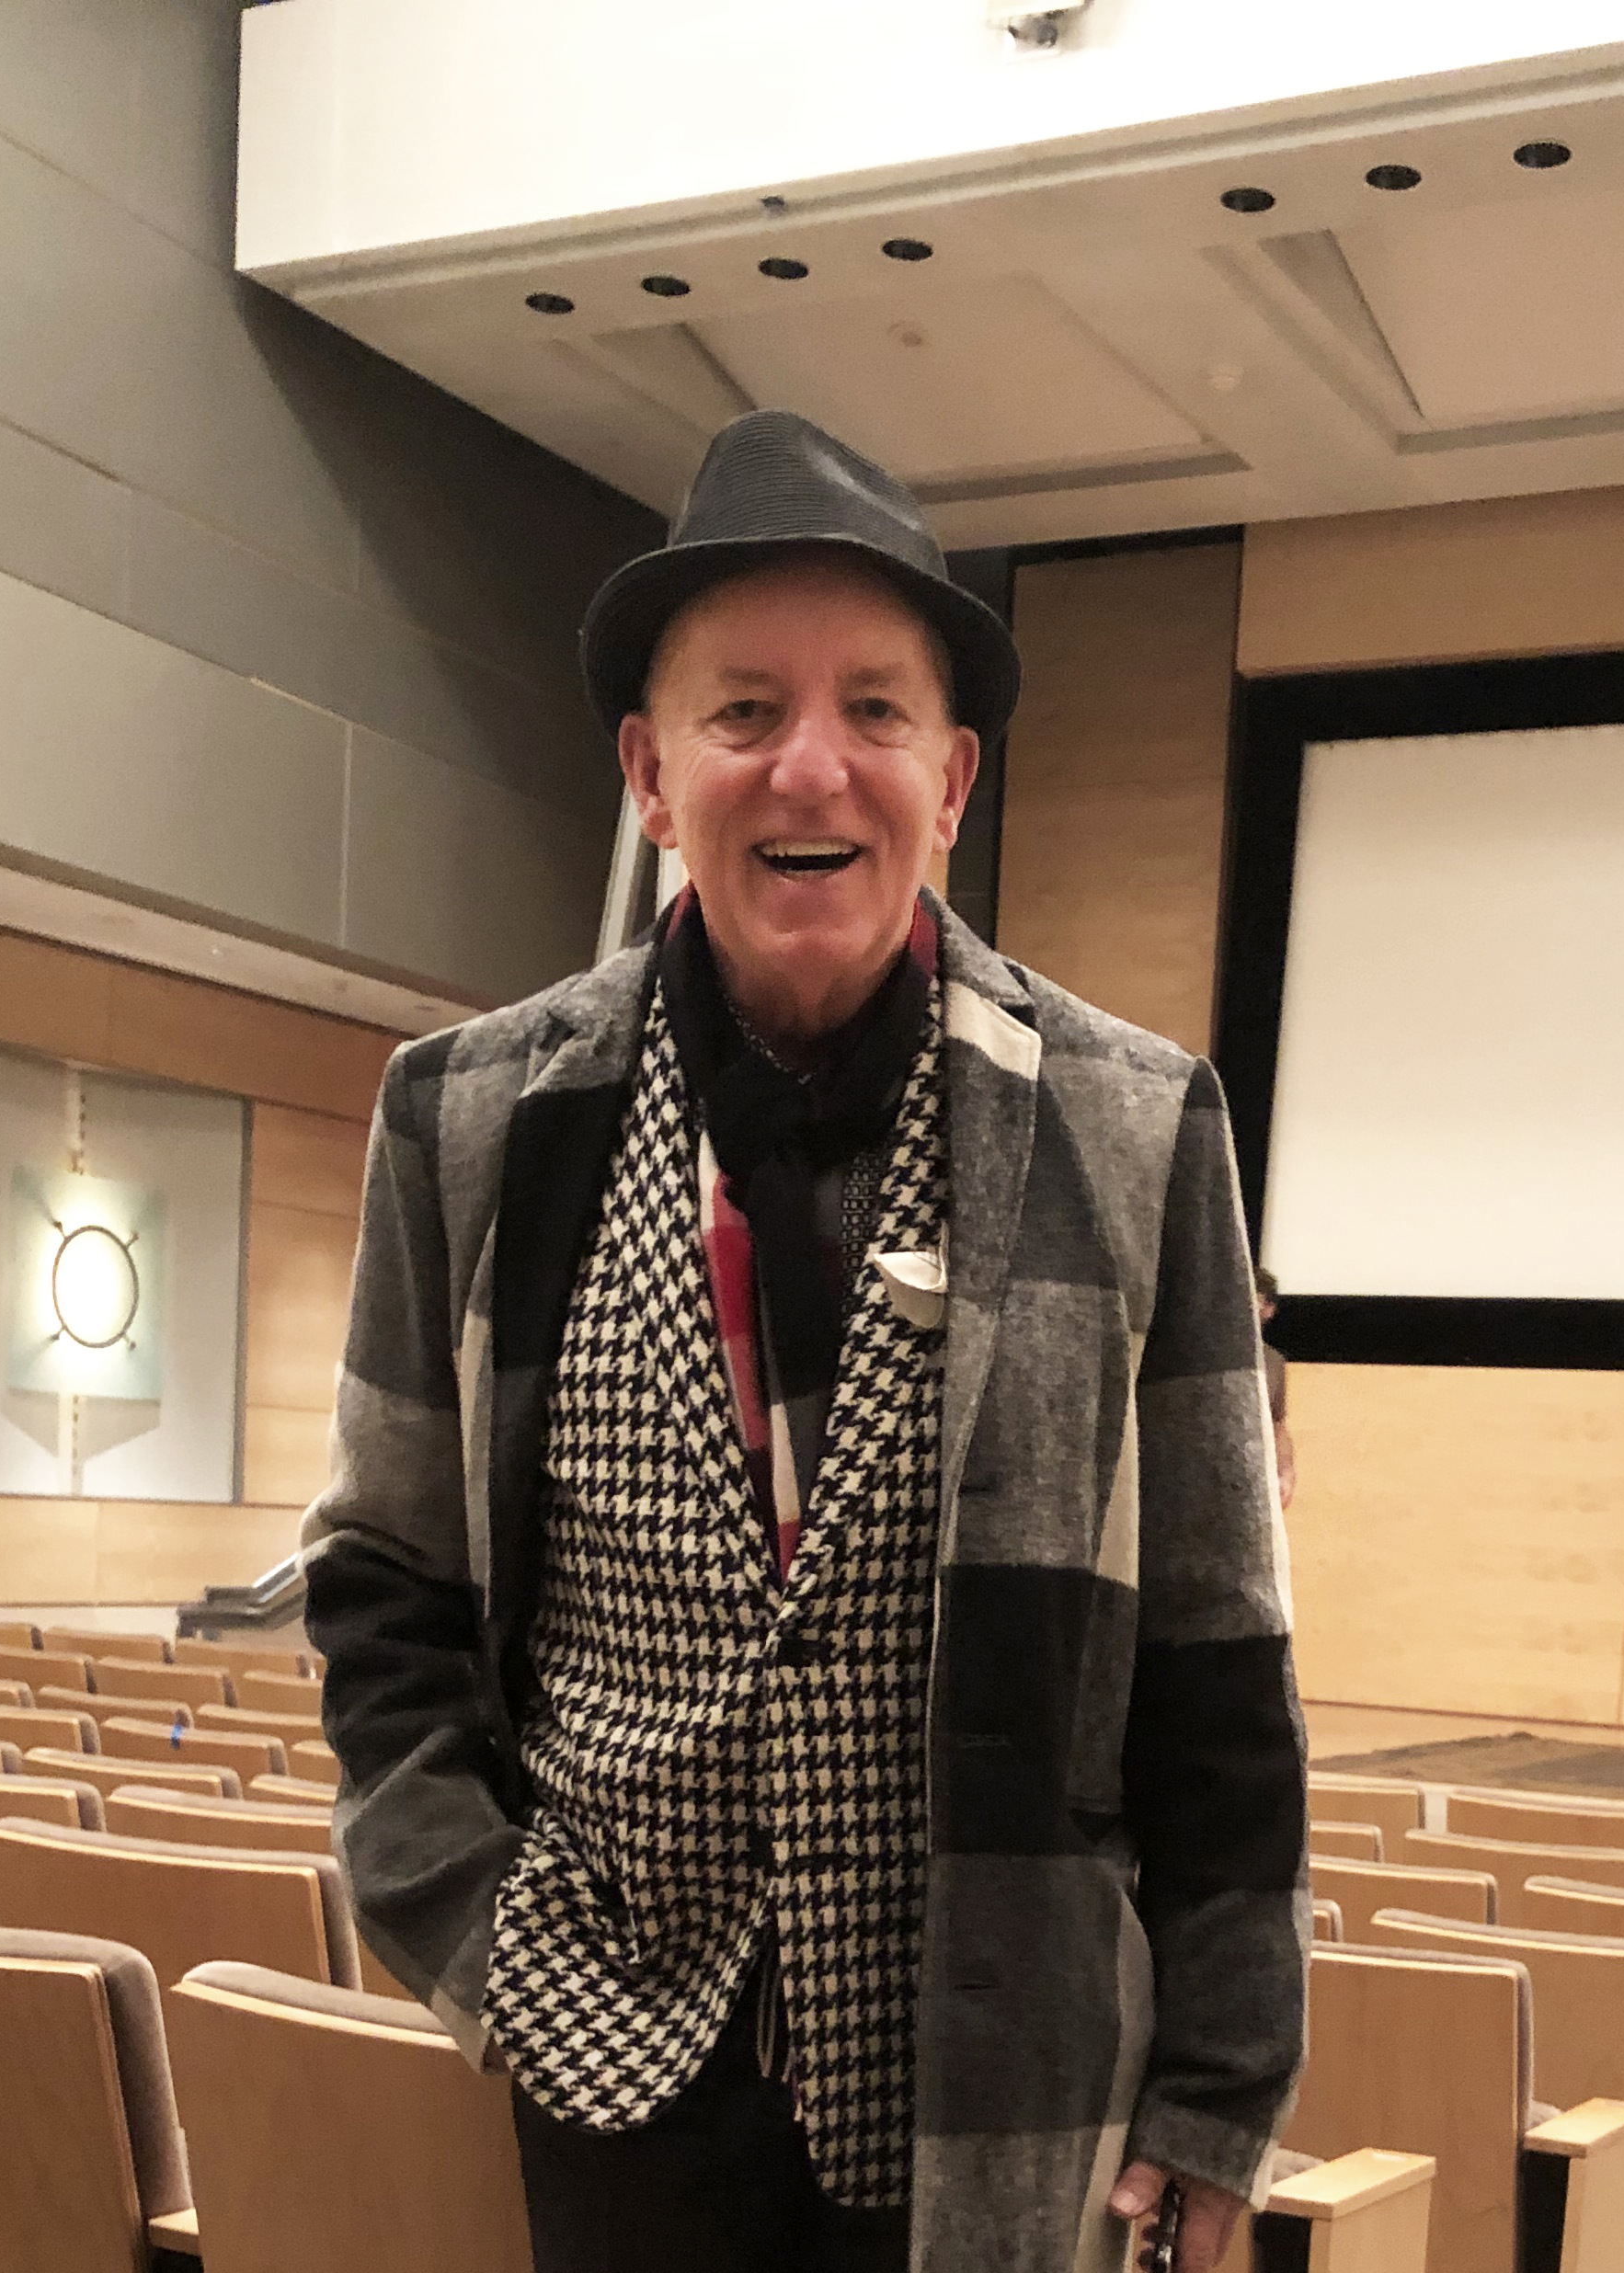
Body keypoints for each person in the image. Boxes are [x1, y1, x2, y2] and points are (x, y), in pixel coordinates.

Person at [302, 409, 1307, 2273]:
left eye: (874, 710)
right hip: (613, 2085)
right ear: (646, 770)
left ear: (955, 774)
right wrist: (492, 1947)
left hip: (999, 2096)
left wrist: (1219, 2091)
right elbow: (379, 1587)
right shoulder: (461, 1120)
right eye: (743, 711)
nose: (810, 769)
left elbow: (1218, 1658)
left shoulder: (1134, 1123)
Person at [1253, 1268, 1295, 1513]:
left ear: (1269, 1309)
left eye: (1252, 1296)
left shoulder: (1273, 1362)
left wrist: (1286, 1471)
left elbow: (1277, 1423)